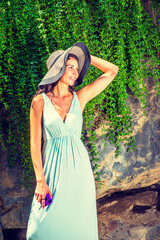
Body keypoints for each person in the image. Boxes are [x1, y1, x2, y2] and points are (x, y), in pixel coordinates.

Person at [26, 42, 118, 240]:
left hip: (79, 173)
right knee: (39, 230)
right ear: (58, 69)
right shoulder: (39, 102)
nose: (76, 72)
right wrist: (40, 181)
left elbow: (112, 71)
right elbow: (34, 144)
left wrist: (84, 57)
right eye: (70, 67)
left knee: (78, 227)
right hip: (51, 173)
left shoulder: (80, 97)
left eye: (77, 68)